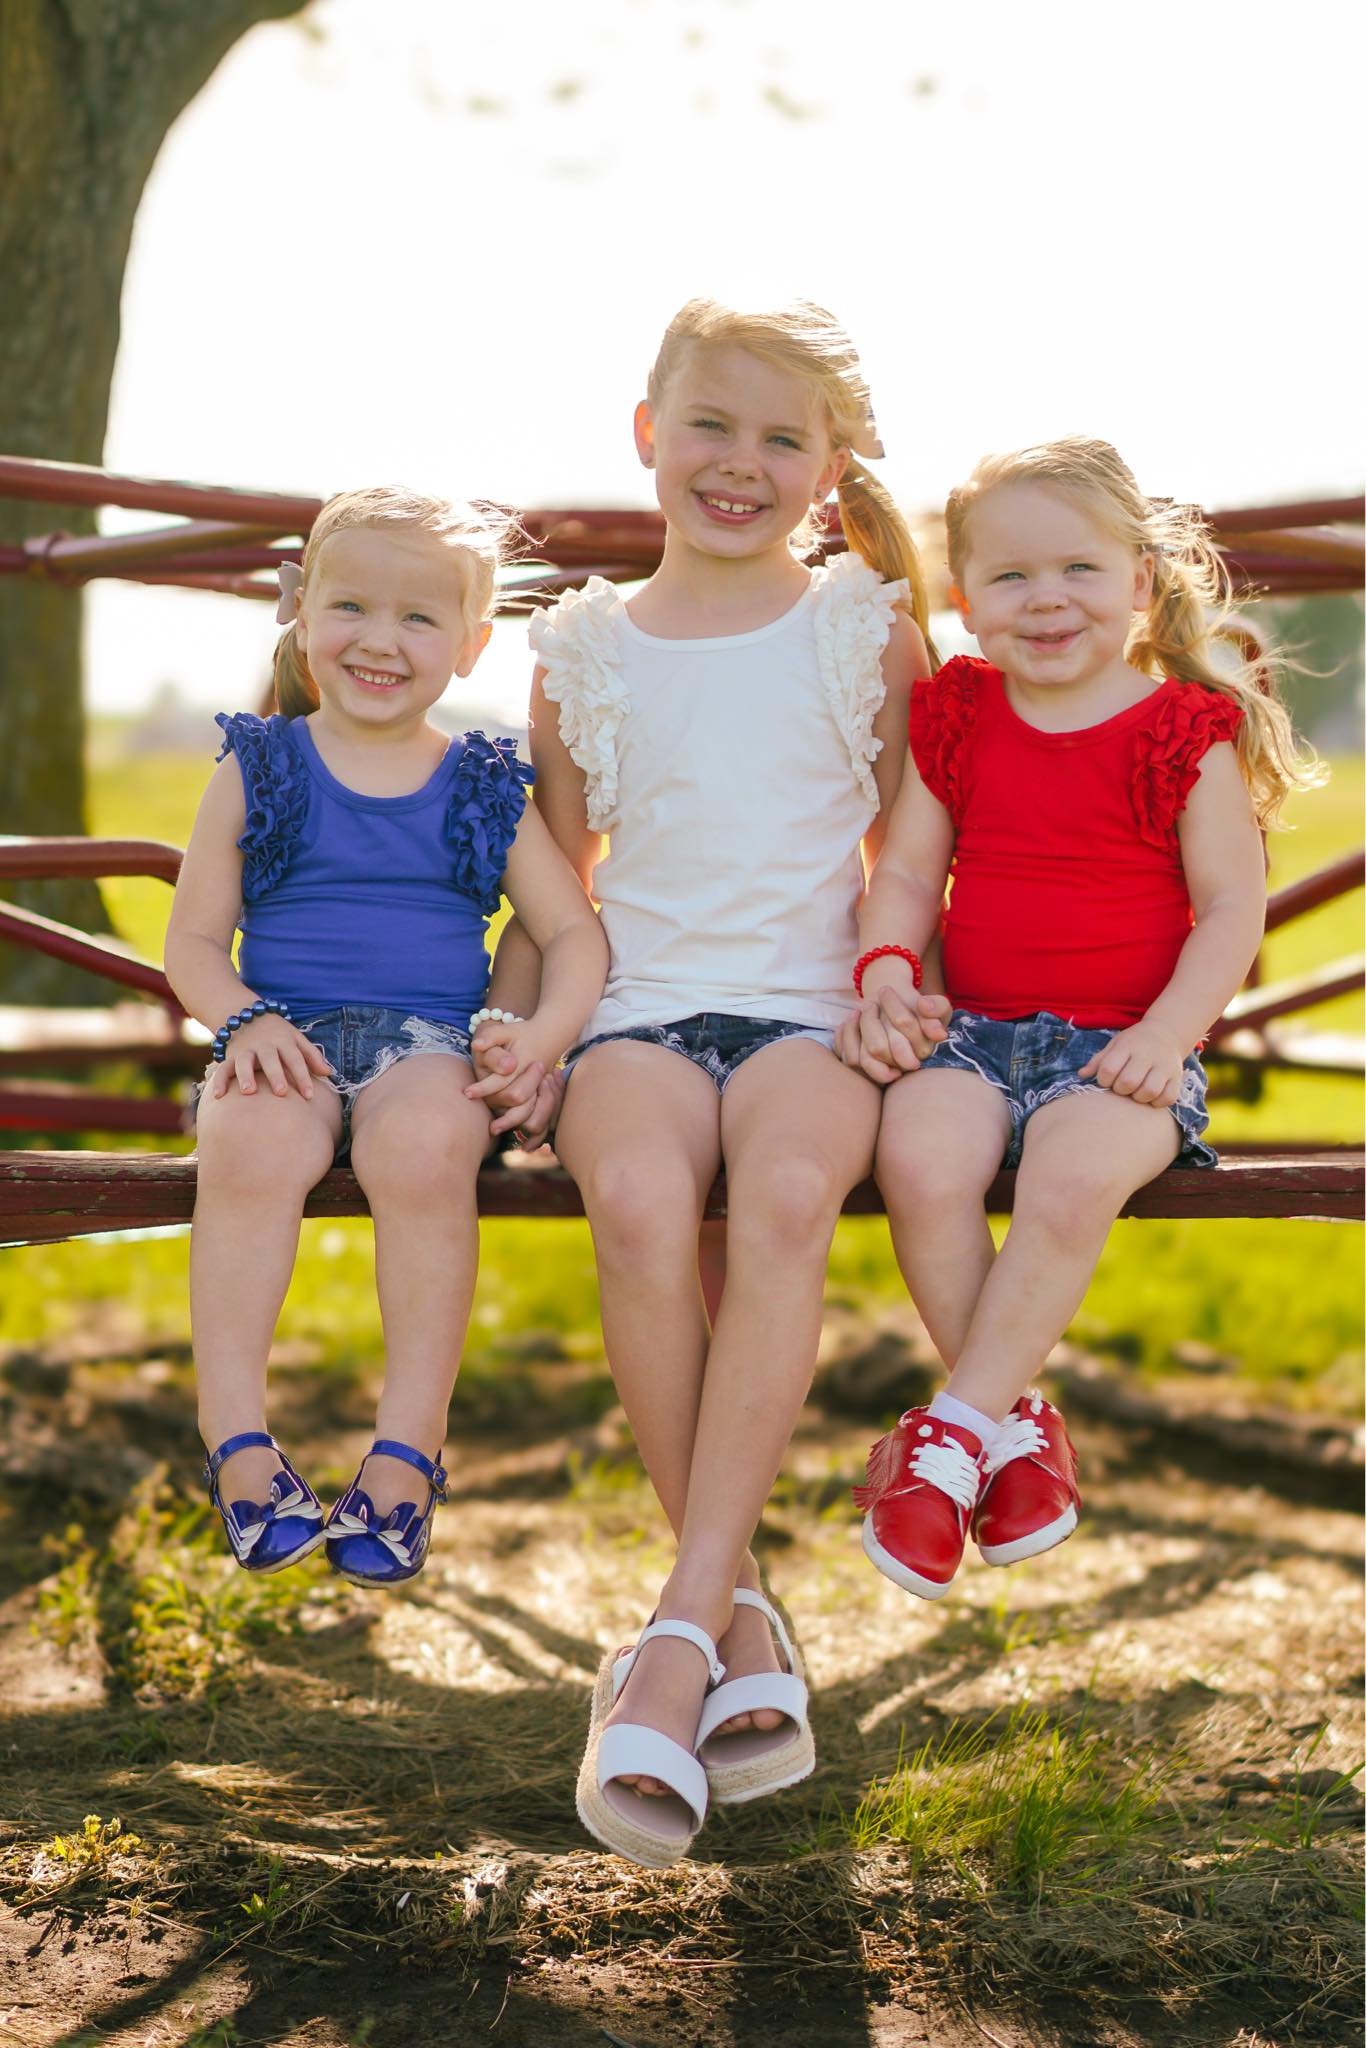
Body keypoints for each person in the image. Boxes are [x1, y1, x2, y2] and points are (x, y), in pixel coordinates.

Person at [482, 297, 938, 1866]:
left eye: (779, 439)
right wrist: (523, 1030)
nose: (737, 465)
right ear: (645, 435)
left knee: (793, 1188)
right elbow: (562, 883)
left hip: (814, 1011)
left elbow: (913, 845)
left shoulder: (859, 622)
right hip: (639, 1011)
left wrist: (896, 981)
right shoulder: (583, 644)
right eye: (710, 427)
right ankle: (733, 1613)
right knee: (635, 1193)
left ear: (825, 470)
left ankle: (678, 1629)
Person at [841, 437, 1320, 1602]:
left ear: (1140, 584)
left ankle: (948, 1434)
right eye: (1007, 578)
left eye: (1077, 570)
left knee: (1064, 1177)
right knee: (918, 1154)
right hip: (975, 1030)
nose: (1044, 598)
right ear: (965, 600)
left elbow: (1227, 911)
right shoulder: (960, 715)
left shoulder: (1180, 731)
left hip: (1122, 1047)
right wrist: (888, 969)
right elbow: (905, 872)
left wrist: (1167, 1037)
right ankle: (1008, 1434)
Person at [164, 486, 606, 1590]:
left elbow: (569, 934)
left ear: (468, 643)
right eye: (350, 604)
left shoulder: (480, 783)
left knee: (426, 1148)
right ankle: (237, 1443)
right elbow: (193, 945)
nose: (379, 638)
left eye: (418, 618)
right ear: (299, 611)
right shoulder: (259, 765)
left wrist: (538, 1036)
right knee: (251, 1144)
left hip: (426, 1042)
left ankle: (407, 1453)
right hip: (284, 1036)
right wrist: (243, 1020)